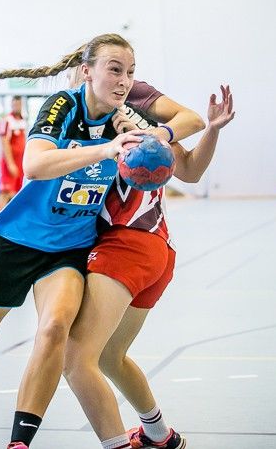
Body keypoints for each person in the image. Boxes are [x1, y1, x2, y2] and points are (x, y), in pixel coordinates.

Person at [0, 33, 164, 449]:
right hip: (18, 242)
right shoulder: (62, 107)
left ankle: (19, 443)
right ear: (86, 71)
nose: (124, 81)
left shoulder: (125, 123)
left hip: (69, 250)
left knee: (55, 329)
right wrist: (106, 150)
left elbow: (187, 147)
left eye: (130, 73)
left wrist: (161, 138)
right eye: (114, 69)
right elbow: (35, 165)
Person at [62, 84, 233, 449]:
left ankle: (117, 444)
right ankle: (159, 435)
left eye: (127, 71)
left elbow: (190, 169)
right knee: (110, 357)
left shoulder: (134, 119)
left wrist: (211, 129)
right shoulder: (80, 114)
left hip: (126, 245)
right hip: (157, 251)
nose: (123, 79)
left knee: (75, 359)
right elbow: (190, 170)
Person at [0, 95, 26, 207]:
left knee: (18, 193)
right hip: (9, 163)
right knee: (6, 193)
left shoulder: (22, 120)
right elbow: (4, 142)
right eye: (15, 104)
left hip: (20, 163)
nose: (17, 107)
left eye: (19, 104)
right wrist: (10, 164)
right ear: (11, 105)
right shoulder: (6, 120)